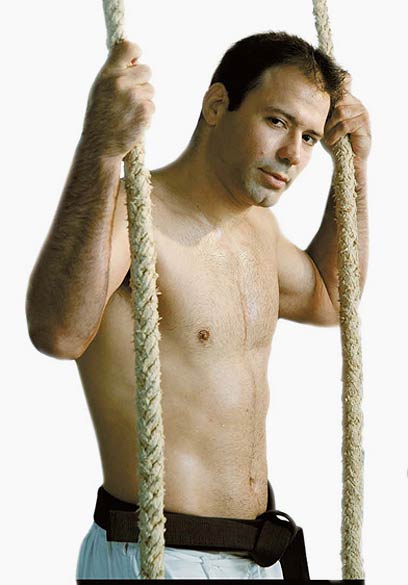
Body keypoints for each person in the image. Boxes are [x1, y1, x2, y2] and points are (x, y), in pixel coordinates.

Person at [25, 31, 370, 580]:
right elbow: (56, 333)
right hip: (158, 557)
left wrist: (355, 169)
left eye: (309, 136)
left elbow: (331, 299)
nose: (293, 154)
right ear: (215, 105)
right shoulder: (136, 215)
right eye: (277, 121)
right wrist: (100, 148)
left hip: (253, 557)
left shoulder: (258, 230)